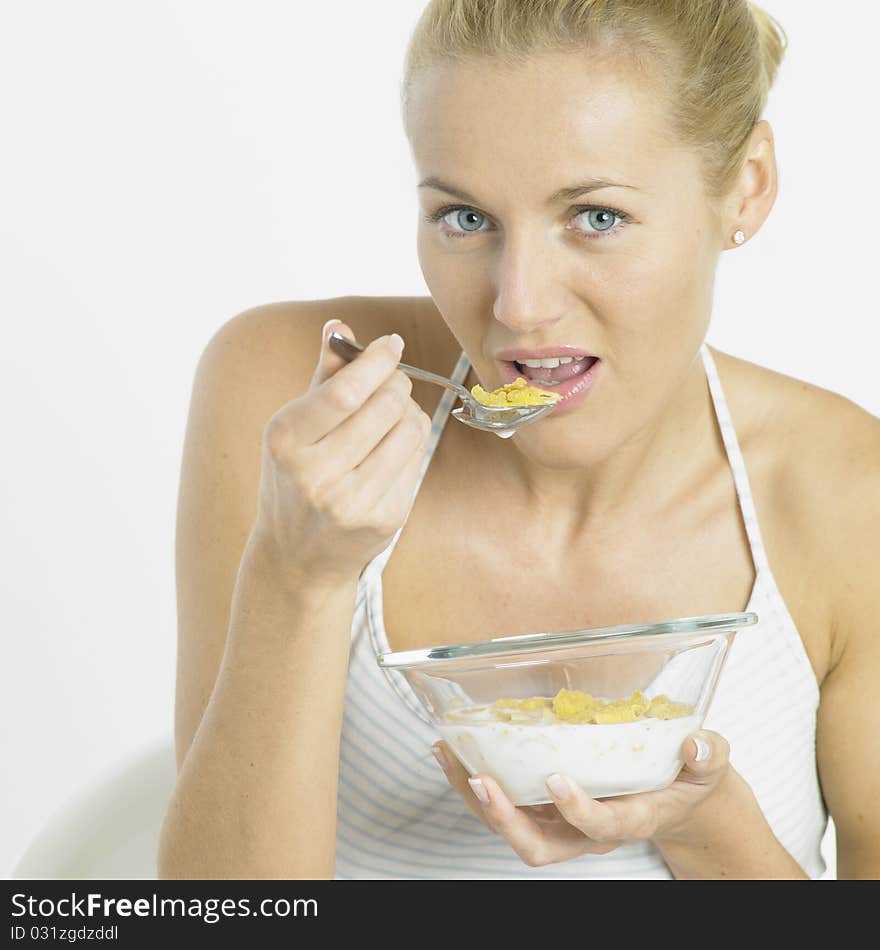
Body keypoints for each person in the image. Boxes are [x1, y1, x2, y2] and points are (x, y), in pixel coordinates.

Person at [157, 0, 879, 880]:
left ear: (748, 186)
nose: (517, 307)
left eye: (597, 217)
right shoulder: (284, 390)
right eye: (466, 218)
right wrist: (297, 574)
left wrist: (705, 825)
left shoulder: (848, 490)